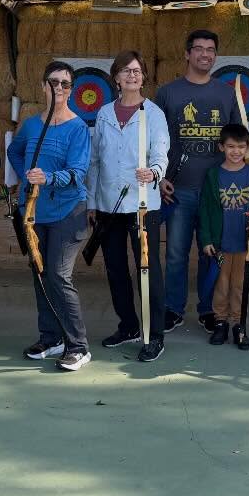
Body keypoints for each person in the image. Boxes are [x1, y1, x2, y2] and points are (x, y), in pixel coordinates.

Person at [8, 62, 93, 370]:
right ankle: (51, 337)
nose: (59, 88)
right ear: (43, 86)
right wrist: (25, 176)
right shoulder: (32, 125)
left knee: (58, 273)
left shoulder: (78, 127)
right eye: (53, 82)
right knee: (40, 271)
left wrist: (47, 178)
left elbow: (77, 173)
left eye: (65, 84)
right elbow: (14, 152)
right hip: (33, 212)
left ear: (71, 90)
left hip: (67, 211)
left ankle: (78, 345)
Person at [87, 50, 170, 362]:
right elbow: (95, 161)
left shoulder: (154, 114)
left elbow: (161, 151)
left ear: (144, 76)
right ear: (116, 78)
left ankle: (154, 334)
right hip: (109, 204)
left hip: (143, 204)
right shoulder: (105, 113)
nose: (132, 76)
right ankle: (128, 325)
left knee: (148, 270)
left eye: (137, 71)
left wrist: (154, 173)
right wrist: (93, 202)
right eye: (126, 71)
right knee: (115, 268)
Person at [155, 29, 237, 333]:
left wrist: (234, 181)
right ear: (187, 54)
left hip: (214, 191)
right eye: (199, 49)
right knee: (175, 253)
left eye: (211, 49)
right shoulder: (168, 93)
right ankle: (173, 308)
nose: (205, 54)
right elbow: (155, 141)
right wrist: (161, 177)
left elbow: (236, 142)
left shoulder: (226, 94)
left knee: (211, 252)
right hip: (179, 189)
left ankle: (209, 309)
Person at [199, 124, 249, 350]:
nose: (236, 151)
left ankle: (238, 324)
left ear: (247, 149)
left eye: (241, 147)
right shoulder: (213, 175)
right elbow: (205, 209)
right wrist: (206, 239)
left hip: (243, 244)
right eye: (231, 147)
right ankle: (220, 322)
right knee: (221, 284)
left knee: (239, 284)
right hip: (221, 244)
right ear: (221, 147)